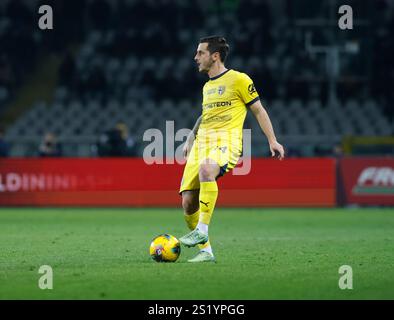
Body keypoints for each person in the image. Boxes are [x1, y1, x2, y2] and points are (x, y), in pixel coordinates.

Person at [178, 36, 285, 263]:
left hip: (226, 141)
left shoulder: (239, 79)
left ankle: (202, 230)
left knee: (207, 170)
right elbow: (205, 115)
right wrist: (190, 138)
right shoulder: (207, 87)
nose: (195, 58)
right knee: (188, 202)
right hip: (202, 143)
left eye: (200, 53)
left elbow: (258, 110)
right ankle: (206, 251)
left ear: (214, 56)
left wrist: (272, 140)